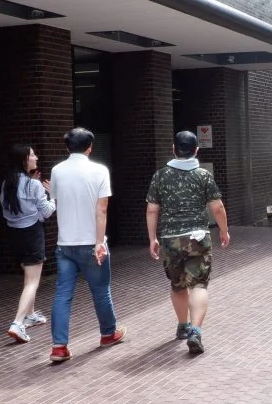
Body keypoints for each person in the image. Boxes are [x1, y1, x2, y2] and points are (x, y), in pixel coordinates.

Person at [145, 131, 231, 355]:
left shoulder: (160, 176)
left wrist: (152, 238)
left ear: (173, 149)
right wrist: (224, 231)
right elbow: (217, 207)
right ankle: (196, 330)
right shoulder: (203, 175)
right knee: (198, 285)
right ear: (196, 151)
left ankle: (183, 325)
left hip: (170, 240)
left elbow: (152, 209)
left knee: (178, 284)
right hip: (198, 238)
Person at [47, 128, 126, 363]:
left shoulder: (57, 171)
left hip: (65, 244)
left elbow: (56, 200)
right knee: (101, 291)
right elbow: (102, 210)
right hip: (91, 242)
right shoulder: (100, 171)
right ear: (90, 147)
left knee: (63, 294)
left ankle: (59, 347)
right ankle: (108, 334)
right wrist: (99, 242)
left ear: (67, 147)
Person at [0, 144, 56, 344]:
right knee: (32, 282)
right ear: (24, 160)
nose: (36, 157)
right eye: (32, 155)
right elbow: (47, 212)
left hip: (14, 234)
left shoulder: (7, 183)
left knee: (28, 277)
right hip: (32, 234)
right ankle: (17, 323)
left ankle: (30, 315)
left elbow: (7, 210)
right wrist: (53, 196)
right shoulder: (34, 185)